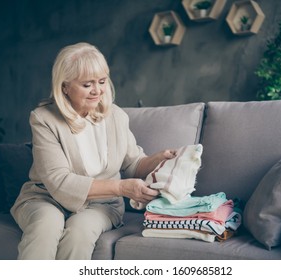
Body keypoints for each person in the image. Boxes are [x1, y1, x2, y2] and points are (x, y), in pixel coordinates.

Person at [10, 42, 176, 259]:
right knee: (46, 225)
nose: (97, 90)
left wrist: (158, 159)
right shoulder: (44, 119)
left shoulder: (116, 116)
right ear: (65, 87)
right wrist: (121, 187)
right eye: (87, 84)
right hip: (45, 197)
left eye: (102, 82)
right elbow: (59, 181)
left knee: (79, 232)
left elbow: (133, 164)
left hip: (102, 204)